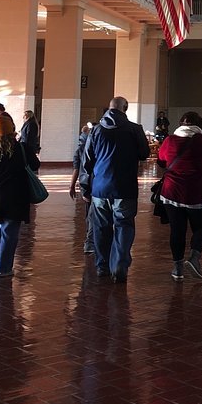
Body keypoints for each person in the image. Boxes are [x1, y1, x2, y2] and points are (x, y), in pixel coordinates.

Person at [83, 96, 150, 282]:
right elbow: (144, 153)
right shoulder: (134, 129)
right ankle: (120, 265)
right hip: (125, 187)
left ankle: (102, 266)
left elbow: (86, 161)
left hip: (100, 188)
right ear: (125, 109)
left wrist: (85, 187)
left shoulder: (96, 130)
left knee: (101, 228)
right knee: (124, 225)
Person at [157, 111, 202, 280]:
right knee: (201, 227)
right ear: (200, 124)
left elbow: (161, 161)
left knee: (177, 230)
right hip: (198, 192)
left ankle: (177, 268)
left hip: (172, 192)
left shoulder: (170, 140)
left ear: (180, 124)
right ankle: (194, 257)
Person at [0, 114, 39, 278]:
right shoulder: (21, 148)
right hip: (16, 194)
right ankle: (3, 267)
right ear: (12, 130)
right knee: (10, 232)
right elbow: (35, 164)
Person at [69, 123, 95, 254]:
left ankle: (90, 241)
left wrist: (72, 185)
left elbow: (76, 169)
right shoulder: (96, 147)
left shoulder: (79, 150)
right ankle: (93, 241)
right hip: (97, 184)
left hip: (86, 185)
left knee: (89, 213)